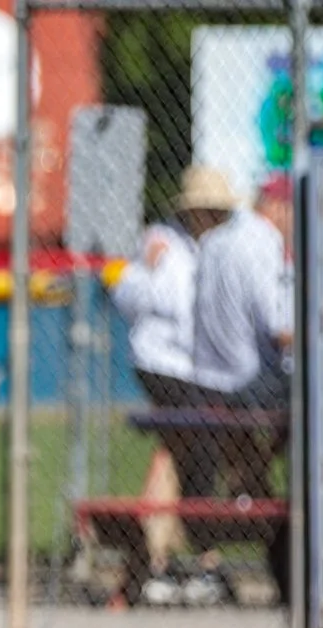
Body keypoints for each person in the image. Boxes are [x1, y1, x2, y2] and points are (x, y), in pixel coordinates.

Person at [109, 165, 238, 604]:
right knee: (196, 445)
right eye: (205, 212)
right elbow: (140, 297)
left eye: (217, 212)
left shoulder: (217, 249)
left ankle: (157, 564)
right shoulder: (163, 245)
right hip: (163, 364)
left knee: (182, 450)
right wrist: (148, 272)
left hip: (199, 369)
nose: (211, 220)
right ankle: (199, 558)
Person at [184, 172, 295, 603]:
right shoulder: (262, 242)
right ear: (278, 208)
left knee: (258, 477)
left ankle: (287, 573)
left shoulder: (213, 242)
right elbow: (278, 327)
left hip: (210, 383)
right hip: (249, 385)